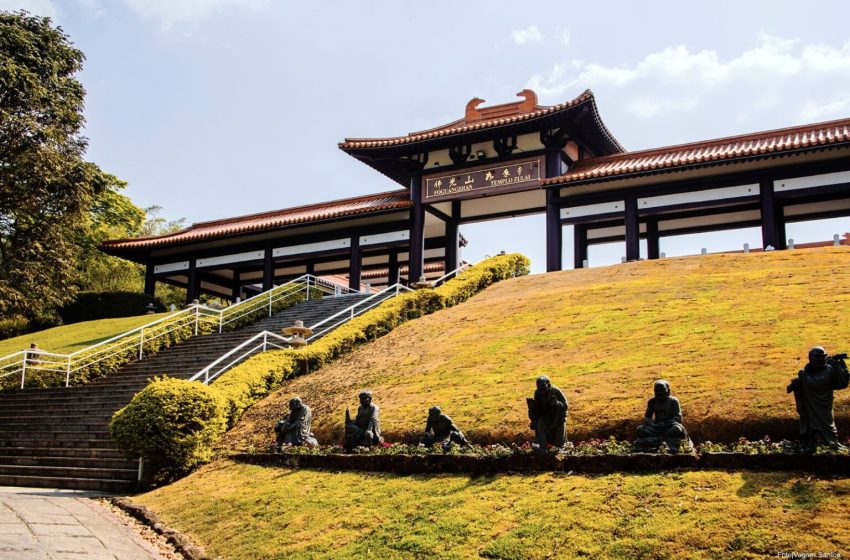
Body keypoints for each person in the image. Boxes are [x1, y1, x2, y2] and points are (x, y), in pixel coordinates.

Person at [787, 346, 850, 453]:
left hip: (824, 406)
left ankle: (829, 444)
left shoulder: (828, 370)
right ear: (811, 358)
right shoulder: (807, 371)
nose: (821, 359)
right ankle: (810, 444)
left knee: (828, 426)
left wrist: (802, 376)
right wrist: (797, 383)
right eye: (818, 357)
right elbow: (806, 383)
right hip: (809, 406)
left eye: (824, 356)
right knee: (811, 428)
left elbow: (816, 383)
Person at [634, 379, 691, 453]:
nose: (659, 393)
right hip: (655, 428)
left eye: (662, 390)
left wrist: (667, 423)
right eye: (657, 390)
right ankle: (664, 441)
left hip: (668, 427)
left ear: (668, 390)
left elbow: (678, 418)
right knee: (640, 429)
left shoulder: (673, 401)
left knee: (677, 429)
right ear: (654, 391)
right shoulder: (652, 401)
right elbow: (647, 418)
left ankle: (657, 441)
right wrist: (653, 425)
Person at [526, 375, 568, 449]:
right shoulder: (537, 393)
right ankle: (543, 447)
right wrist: (533, 408)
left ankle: (559, 448)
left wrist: (556, 403)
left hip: (557, 416)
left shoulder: (556, 391)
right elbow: (538, 409)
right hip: (545, 416)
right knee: (539, 425)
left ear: (548, 384)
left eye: (543, 385)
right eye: (538, 386)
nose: (541, 389)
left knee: (559, 427)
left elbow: (565, 405)